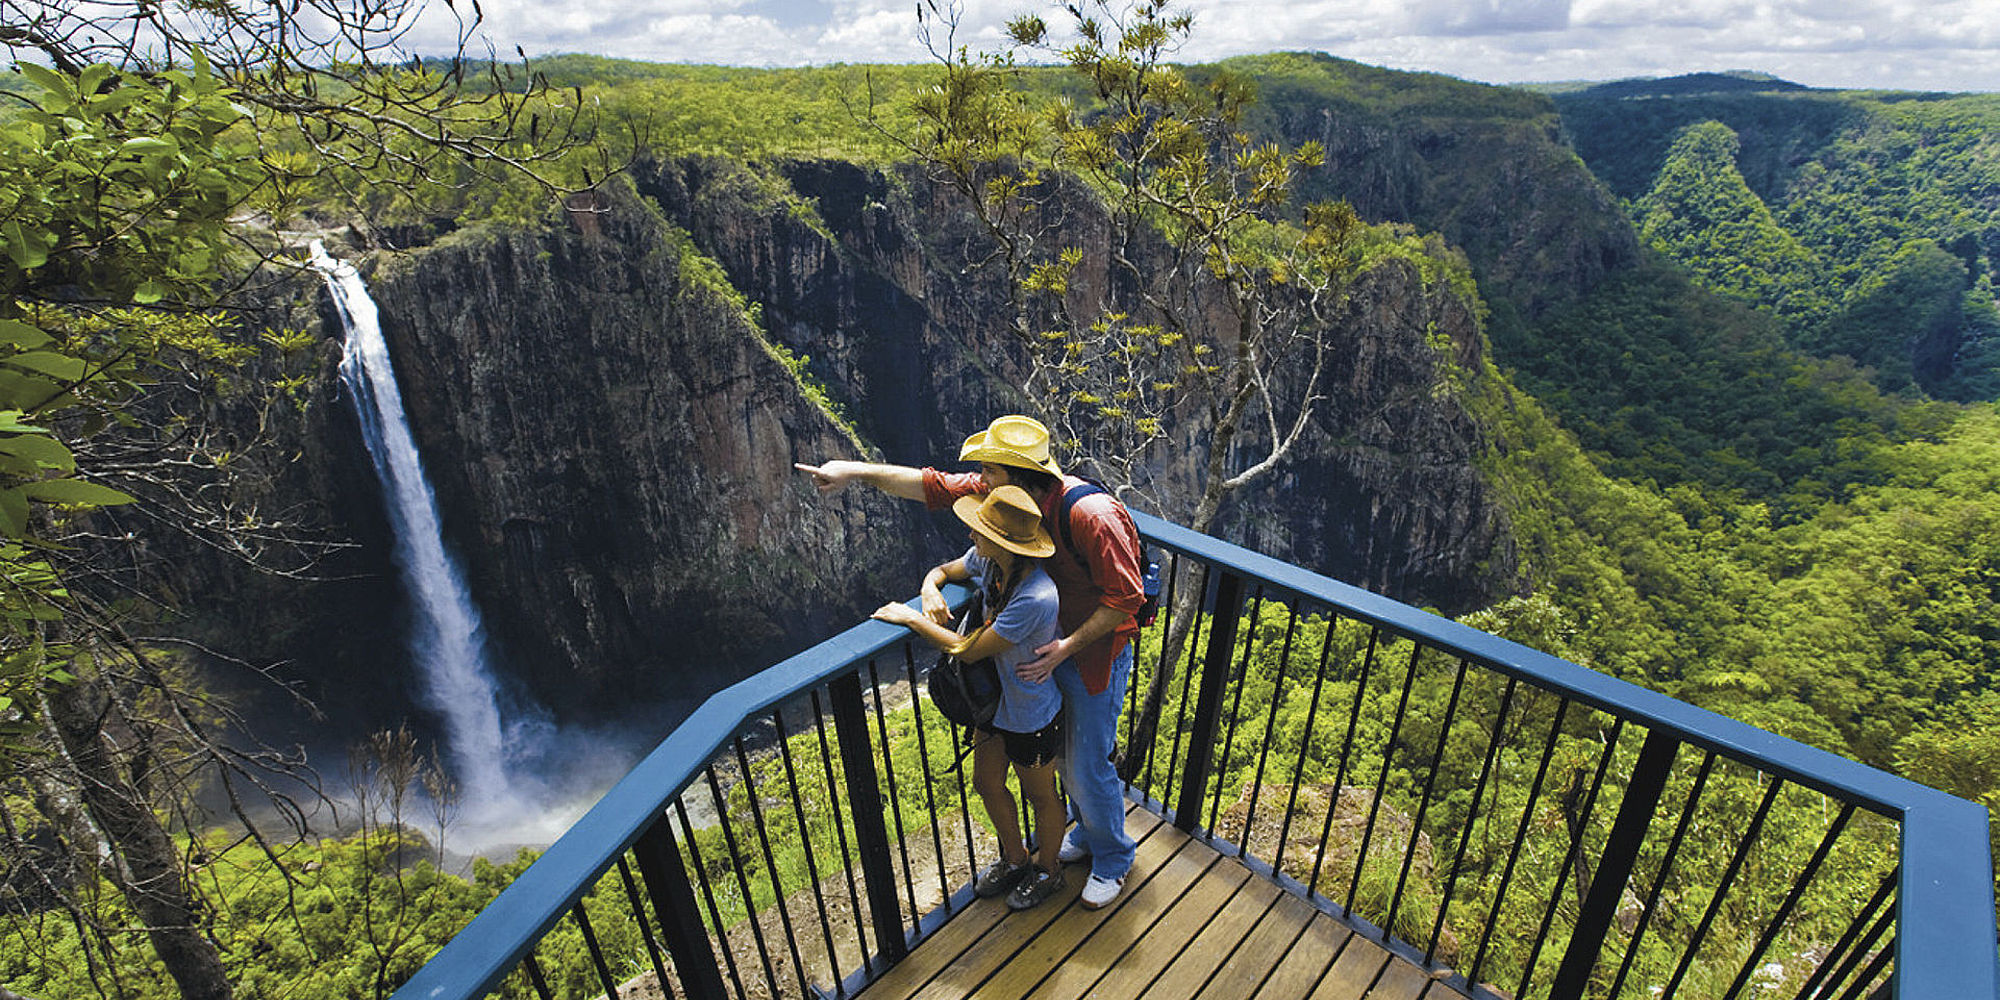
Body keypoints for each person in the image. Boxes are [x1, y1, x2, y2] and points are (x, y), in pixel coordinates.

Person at [798, 415, 1144, 909]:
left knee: (1087, 763)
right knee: (1066, 760)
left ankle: (1113, 857)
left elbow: (1125, 598)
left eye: (987, 468)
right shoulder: (1005, 501)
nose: (979, 478)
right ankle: (1089, 836)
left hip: (1091, 654)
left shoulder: (1091, 515)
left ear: (1015, 472)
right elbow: (931, 485)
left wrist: (1066, 648)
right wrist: (851, 471)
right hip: (1040, 655)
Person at [872, 485, 1068, 910]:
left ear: (1004, 545)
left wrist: (910, 619)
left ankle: (1049, 871)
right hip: (992, 704)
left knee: (1041, 796)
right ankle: (1015, 858)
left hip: (1030, 712)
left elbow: (970, 648)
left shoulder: (1036, 596)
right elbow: (944, 571)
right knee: (986, 783)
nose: (971, 538)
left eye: (979, 532)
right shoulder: (989, 562)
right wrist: (928, 589)